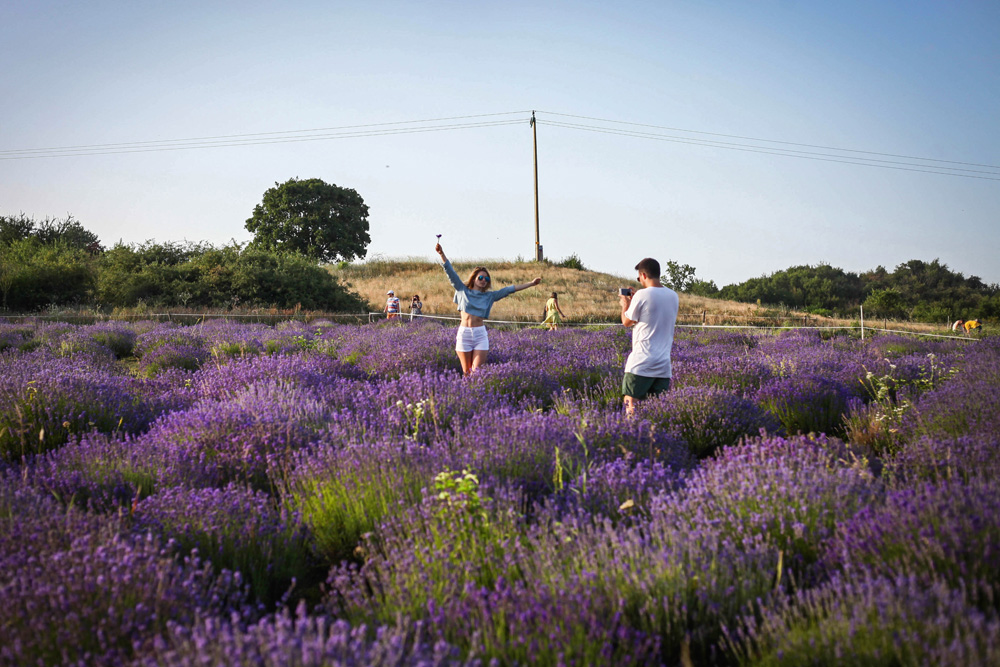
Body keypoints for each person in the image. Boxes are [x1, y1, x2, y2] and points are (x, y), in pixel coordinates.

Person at [435, 241, 542, 375]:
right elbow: (450, 272)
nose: (483, 280)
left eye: (486, 278)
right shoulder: (462, 290)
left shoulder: (490, 296)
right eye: (480, 277)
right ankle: (467, 395)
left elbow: (510, 289)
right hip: (464, 334)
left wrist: (531, 284)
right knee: (467, 373)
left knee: (476, 372)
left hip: (480, 335)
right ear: (474, 278)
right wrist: (441, 254)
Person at [619, 257, 679, 416]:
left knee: (631, 403)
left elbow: (627, 321)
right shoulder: (673, 296)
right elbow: (652, 315)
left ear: (643, 275)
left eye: (639, 278)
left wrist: (625, 304)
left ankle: (634, 438)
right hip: (663, 365)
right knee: (657, 411)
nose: (639, 281)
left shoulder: (642, 295)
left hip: (641, 362)